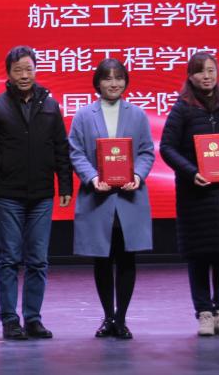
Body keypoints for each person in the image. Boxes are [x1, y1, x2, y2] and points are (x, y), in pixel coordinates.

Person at [0, 46, 73, 340]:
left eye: (28, 69)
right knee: (9, 259)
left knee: (38, 260)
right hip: (7, 195)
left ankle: (33, 318)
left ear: (36, 70)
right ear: (8, 73)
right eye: (17, 70)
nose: (24, 75)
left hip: (42, 195)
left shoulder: (50, 105)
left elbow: (61, 148)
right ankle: (9, 320)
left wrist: (65, 184)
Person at [159, 52, 219, 337]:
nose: (206, 76)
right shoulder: (182, 108)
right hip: (195, 194)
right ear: (190, 76)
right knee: (199, 255)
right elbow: (167, 148)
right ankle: (204, 314)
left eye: (211, 70)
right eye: (200, 71)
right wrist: (191, 172)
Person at [68, 59, 155, 340]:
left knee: (127, 258)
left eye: (119, 78)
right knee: (102, 259)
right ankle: (107, 317)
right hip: (98, 197)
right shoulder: (84, 115)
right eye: (107, 78)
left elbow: (146, 152)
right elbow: (76, 152)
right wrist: (92, 177)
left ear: (126, 82)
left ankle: (121, 319)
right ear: (98, 83)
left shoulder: (137, 114)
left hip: (130, 197)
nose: (113, 83)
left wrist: (138, 176)